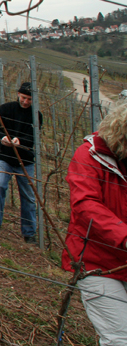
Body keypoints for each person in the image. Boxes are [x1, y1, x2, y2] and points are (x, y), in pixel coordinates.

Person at [62, 102, 127, 345]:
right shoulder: (89, 156)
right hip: (95, 260)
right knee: (119, 337)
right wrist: (124, 235)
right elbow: (85, 204)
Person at [0, 82, 43, 244]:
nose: (26, 102)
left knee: (28, 196)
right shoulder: (5, 109)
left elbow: (34, 139)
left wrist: (21, 141)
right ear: (18, 94)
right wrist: (2, 138)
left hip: (25, 161)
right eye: (24, 97)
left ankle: (29, 233)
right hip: (5, 158)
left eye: (30, 99)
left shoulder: (36, 115)